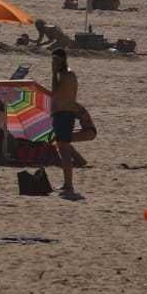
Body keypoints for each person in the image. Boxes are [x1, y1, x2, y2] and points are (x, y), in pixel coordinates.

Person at [50, 48, 95, 199]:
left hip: (64, 114)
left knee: (64, 150)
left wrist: (53, 74)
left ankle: (69, 184)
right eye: (52, 60)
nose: (53, 63)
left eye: (56, 60)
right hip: (61, 114)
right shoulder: (64, 74)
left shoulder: (66, 75)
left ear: (62, 60)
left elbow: (56, 93)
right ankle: (66, 183)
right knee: (63, 148)